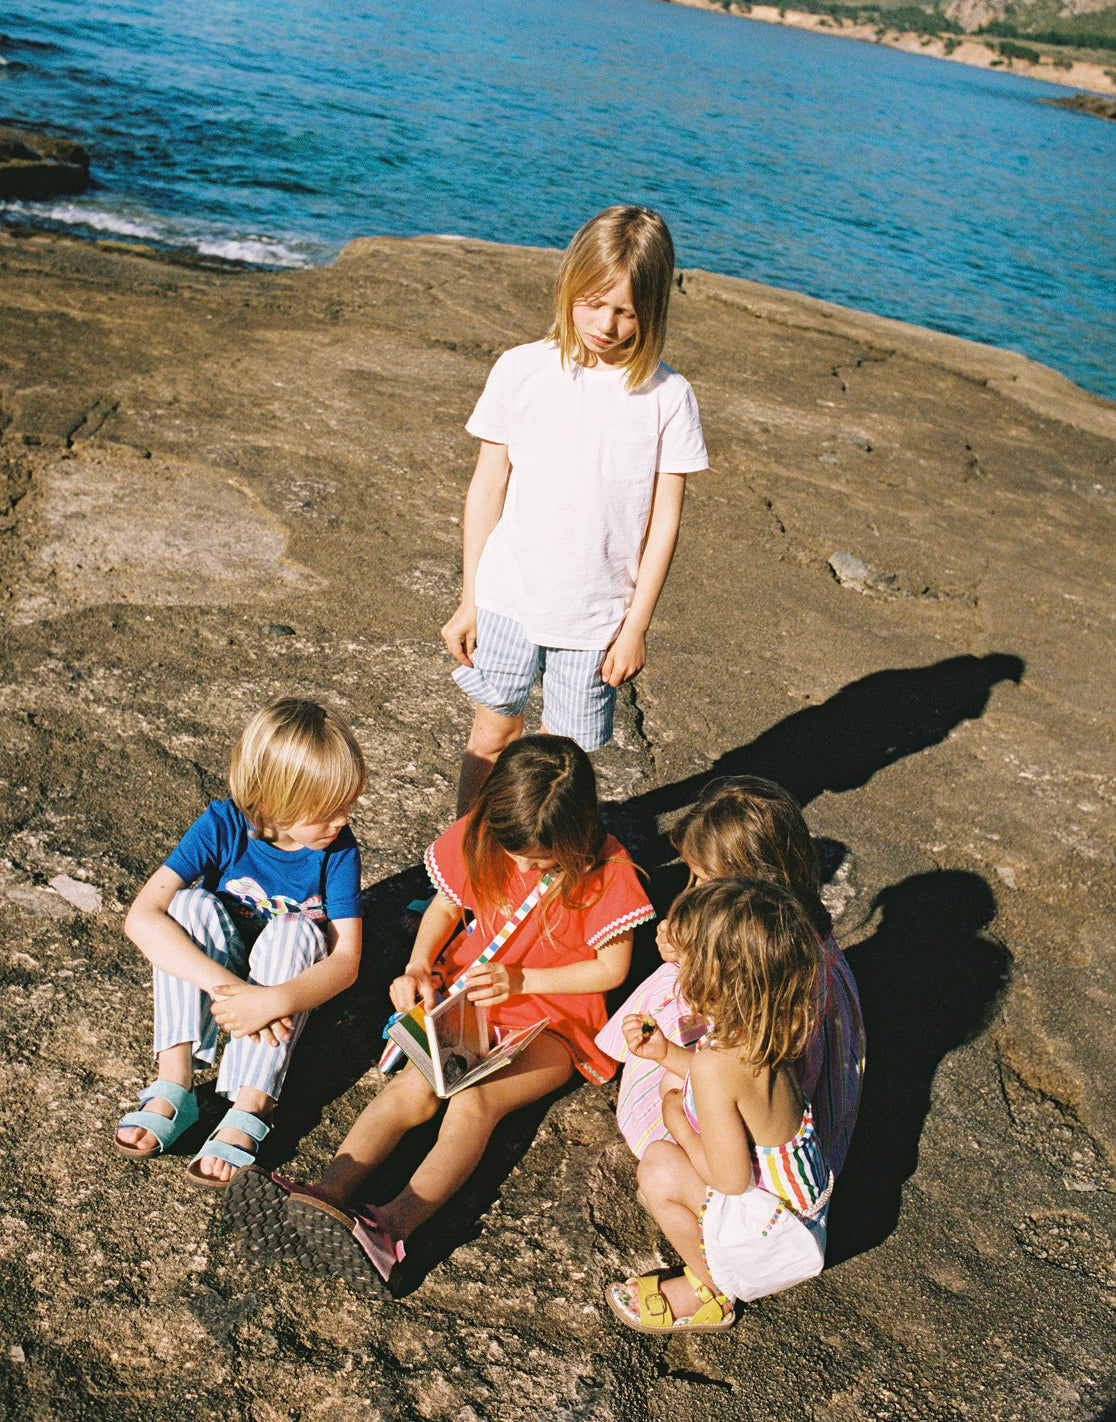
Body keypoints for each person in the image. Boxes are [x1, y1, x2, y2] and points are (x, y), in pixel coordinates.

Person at [227, 735, 654, 1293]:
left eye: (539, 861)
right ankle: (327, 1193)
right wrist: (418, 965)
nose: (523, 866)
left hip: (555, 1023)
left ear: (576, 836)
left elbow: (610, 970)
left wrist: (524, 981)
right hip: (470, 1001)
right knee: (413, 1087)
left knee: (476, 1102)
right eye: (517, 854)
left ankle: (390, 1229)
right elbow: (447, 905)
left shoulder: (608, 871)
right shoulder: (484, 834)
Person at [440, 205, 708, 815]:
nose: (606, 325)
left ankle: (539, 868)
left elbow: (664, 523)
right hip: (508, 599)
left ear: (653, 310)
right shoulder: (522, 368)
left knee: (562, 765)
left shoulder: (669, 397)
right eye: (592, 302)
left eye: (627, 312)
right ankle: (466, 858)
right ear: (568, 286)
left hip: (596, 620)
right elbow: (487, 486)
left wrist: (635, 628)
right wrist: (470, 597)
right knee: (491, 736)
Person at [113, 697, 365, 1187]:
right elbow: (142, 916)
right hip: (226, 974)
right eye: (329, 809)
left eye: (347, 805)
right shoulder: (222, 825)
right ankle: (174, 1081)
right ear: (271, 802)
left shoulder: (338, 850)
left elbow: (347, 959)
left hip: (285, 976)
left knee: (296, 930)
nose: (342, 819)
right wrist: (234, 993)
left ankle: (252, 1102)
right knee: (186, 906)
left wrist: (272, 1000)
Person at [596, 775, 865, 1178]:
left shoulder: (776, 970)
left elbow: (745, 1030)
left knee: (673, 993)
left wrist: (689, 961)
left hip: (763, 1090)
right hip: (763, 1039)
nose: (692, 891)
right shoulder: (780, 924)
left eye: (704, 880)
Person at [607, 878, 832, 1333]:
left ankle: (712, 1289)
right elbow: (732, 1086)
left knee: (659, 1169)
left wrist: (675, 1118)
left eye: (687, 960)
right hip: (801, 1210)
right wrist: (667, 1055)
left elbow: (730, 1179)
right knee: (671, 1141)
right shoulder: (766, 1026)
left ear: (713, 978)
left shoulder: (715, 1066)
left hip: (773, 1237)